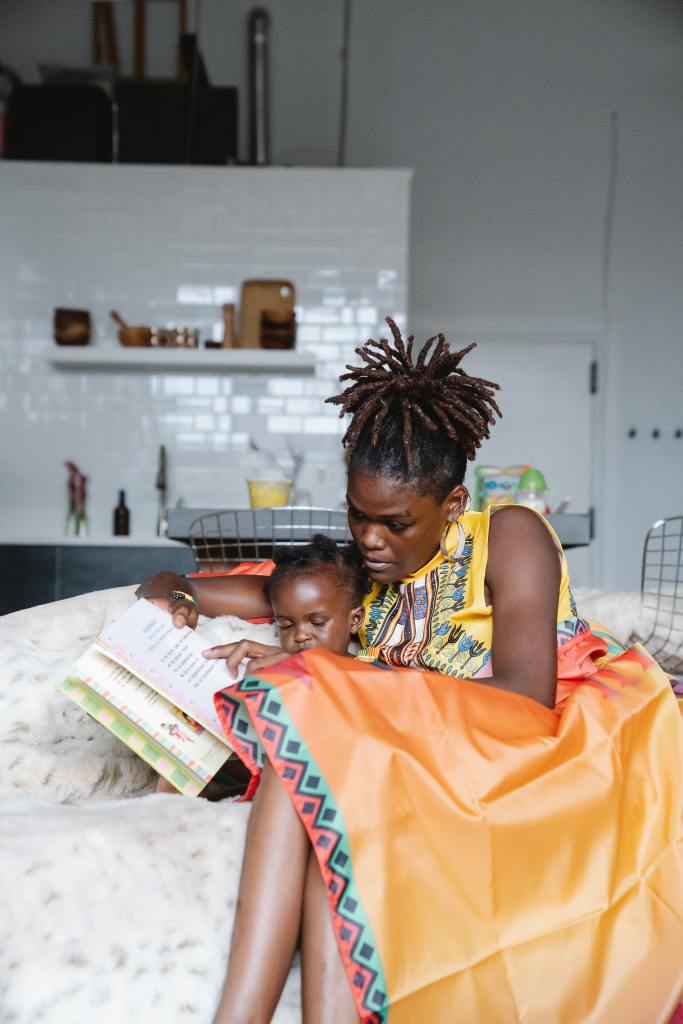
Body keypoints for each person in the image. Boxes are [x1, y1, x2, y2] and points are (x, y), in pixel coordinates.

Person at [137, 318, 683, 1023]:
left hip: (542, 756)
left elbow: (525, 697)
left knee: (319, 722)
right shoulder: (354, 580)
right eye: (357, 516)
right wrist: (174, 598)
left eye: (395, 523)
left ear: (451, 505)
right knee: (324, 795)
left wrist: (342, 683)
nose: (370, 539)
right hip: (423, 760)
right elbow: (195, 585)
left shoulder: (508, 535)